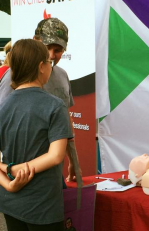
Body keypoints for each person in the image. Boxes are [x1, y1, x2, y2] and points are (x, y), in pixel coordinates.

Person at [0, 39, 73, 230]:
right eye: (49, 62)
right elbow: (56, 156)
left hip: (10, 202)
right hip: (43, 206)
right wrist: (16, 169)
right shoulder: (55, 106)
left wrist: (9, 181)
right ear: (41, 67)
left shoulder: (3, 107)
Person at [0, 18, 81, 184]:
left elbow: (66, 122)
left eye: (57, 50)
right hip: (19, 178)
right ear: (35, 41)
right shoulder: (14, 77)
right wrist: (10, 176)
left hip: (50, 179)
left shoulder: (62, 75)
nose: (51, 55)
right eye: (47, 47)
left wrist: (74, 161)